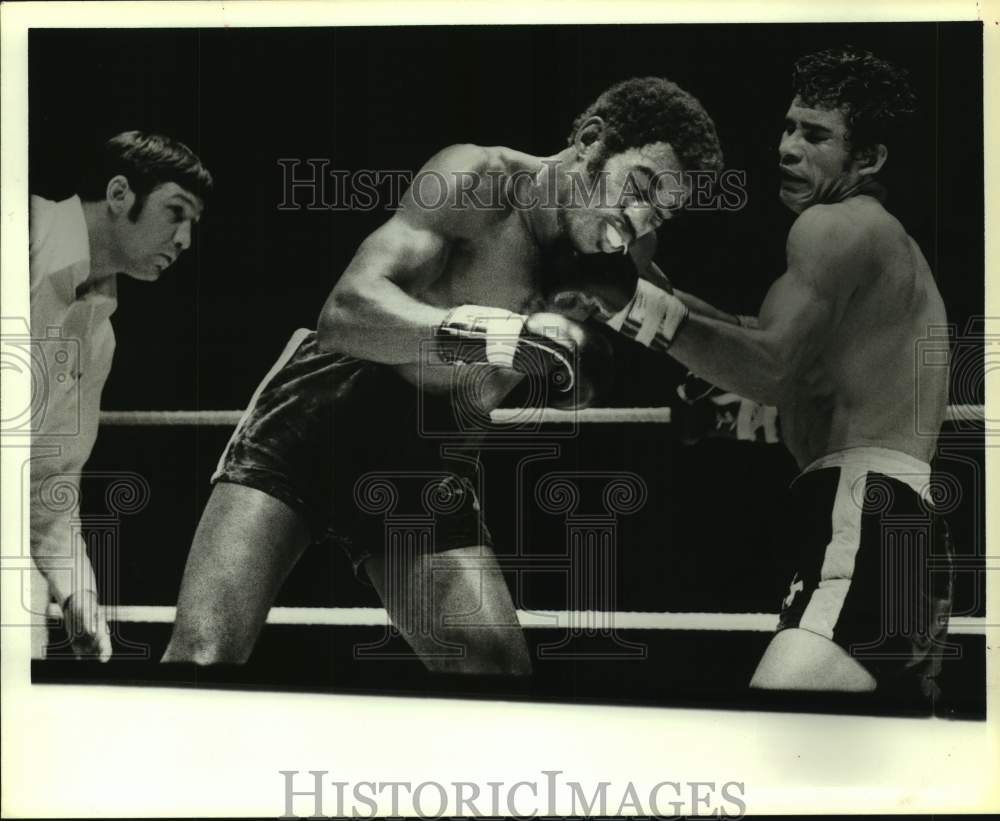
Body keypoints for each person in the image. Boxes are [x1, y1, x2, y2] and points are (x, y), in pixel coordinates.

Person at [162, 77, 724, 673]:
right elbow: (345, 312)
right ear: (590, 141)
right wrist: (500, 337)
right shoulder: (477, 179)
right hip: (322, 409)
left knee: (496, 676)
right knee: (205, 656)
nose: (638, 219)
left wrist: (736, 389)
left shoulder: (623, 252)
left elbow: (690, 324)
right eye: (637, 188)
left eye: (660, 209)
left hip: (430, 453)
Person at [565, 48, 953, 697]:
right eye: (789, 127)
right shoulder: (870, 242)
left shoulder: (834, 228)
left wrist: (628, 303)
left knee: (768, 730)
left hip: (862, 513)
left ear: (870, 159)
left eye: (816, 135)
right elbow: (755, 338)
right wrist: (638, 290)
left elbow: (770, 370)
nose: (788, 147)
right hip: (888, 519)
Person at [30, 131, 211, 661]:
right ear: (118, 193)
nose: (184, 241)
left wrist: (76, 590)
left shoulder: (97, 336)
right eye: (175, 213)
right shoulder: (24, 228)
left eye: (193, 225)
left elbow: (49, 482)